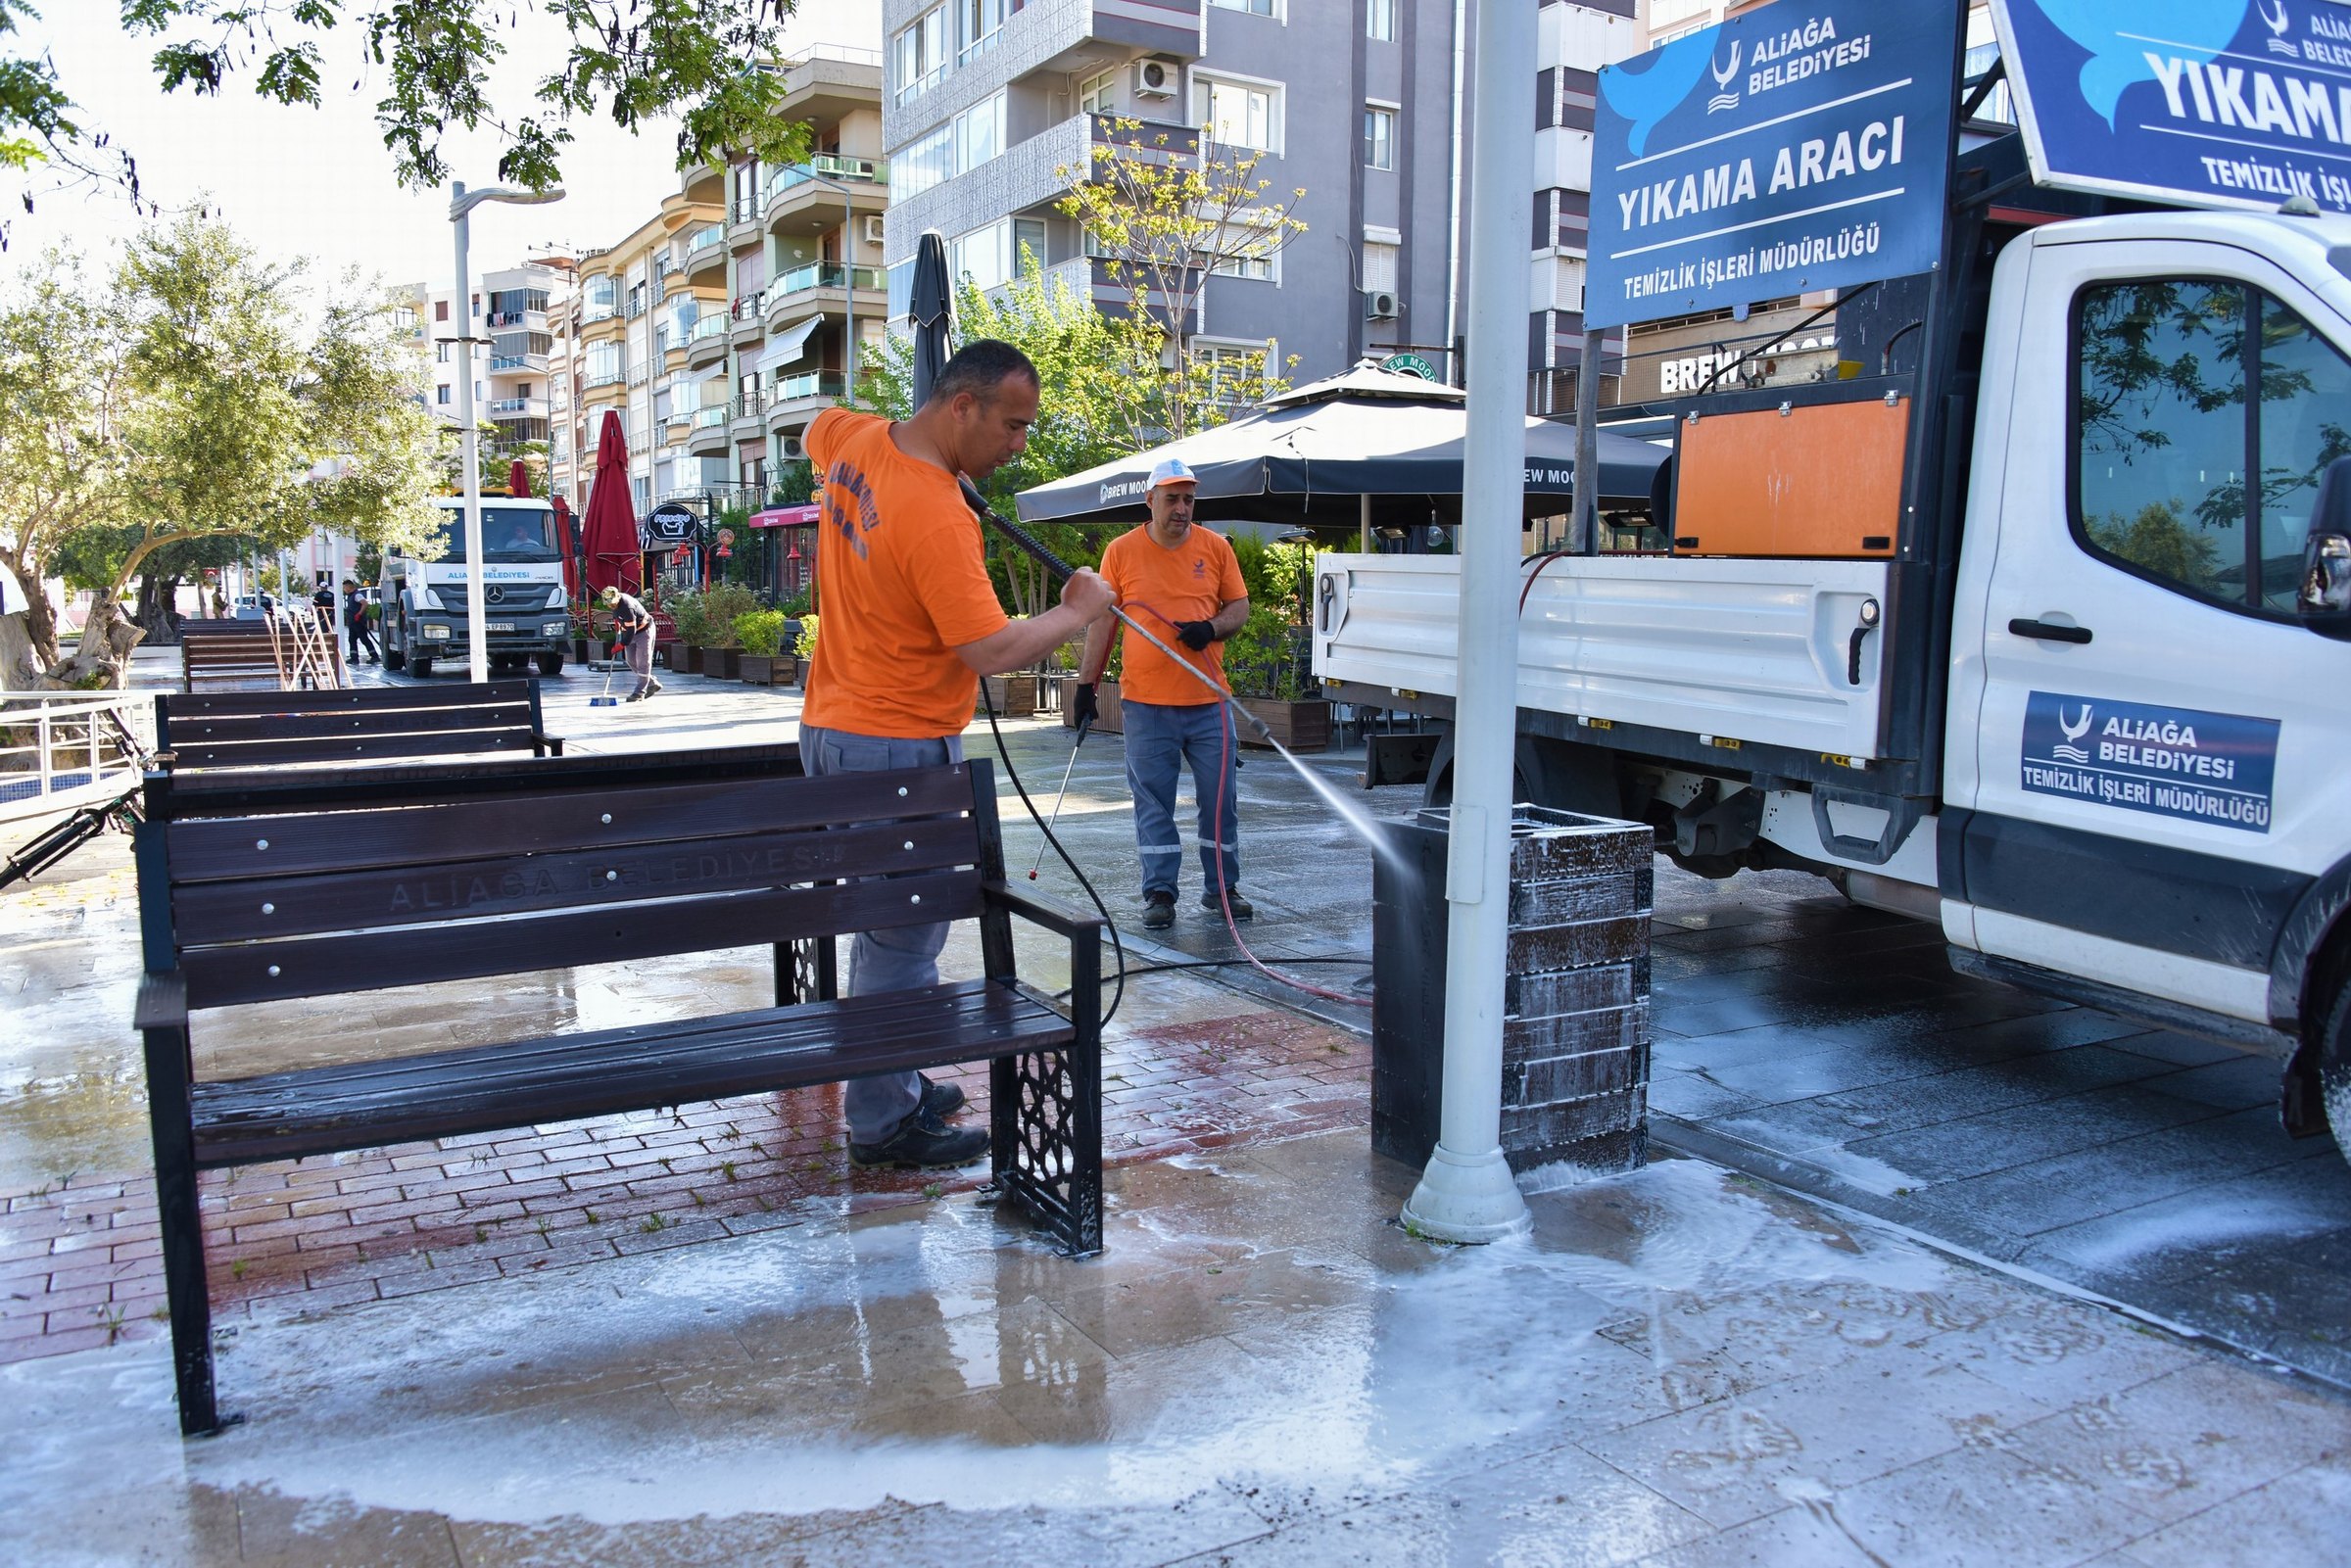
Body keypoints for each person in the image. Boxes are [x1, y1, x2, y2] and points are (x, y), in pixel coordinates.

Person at [800, 339, 1114, 1169]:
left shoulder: (861, 439)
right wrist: (1079, 607)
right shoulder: (936, 512)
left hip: (832, 728)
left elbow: (814, 433)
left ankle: (891, 1073)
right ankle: (883, 1122)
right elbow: (991, 650)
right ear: (962, 406)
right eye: (1012, 425)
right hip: (896, 744)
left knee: (882, 930)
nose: (1020, 442)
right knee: (903, 942)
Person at [1073, 457, 1254, 930]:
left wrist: (1211, 627)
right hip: (1147, 706)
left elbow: (1240, 607)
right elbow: (1104, 620)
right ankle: (1159, 893)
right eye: (1172, 498)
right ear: (1149, 500)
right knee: (1153, 803)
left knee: (1220, 800)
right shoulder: (1121, 552)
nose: (1181, 508)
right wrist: (1086, 685)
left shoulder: (1215, 548)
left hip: (1209, 704)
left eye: (1189, 499)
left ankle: (1222, 890)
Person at [600, 585, 659, 700]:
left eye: (613, 603)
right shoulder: (614, 604)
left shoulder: (627, 606)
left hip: (644, 630)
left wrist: (621, 644)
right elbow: (621, 619)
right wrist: (619, 624)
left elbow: (631, 630)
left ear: (618, 596)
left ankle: (639, 692)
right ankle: (652, 683)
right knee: (631, 660)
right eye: (609, 604)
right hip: (630, 631)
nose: (611, 605)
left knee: (643, 662)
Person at [342, 579, 378, 665]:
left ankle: (374, 656)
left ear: (348, 586)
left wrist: (359, 614)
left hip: (359, 622)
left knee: (364, 639)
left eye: (344, 587)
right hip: (353, 622)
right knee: (352, 639)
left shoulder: (357, 595)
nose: (344, 589)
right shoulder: (351, 595)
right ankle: (354, 658)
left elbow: (365, 603)